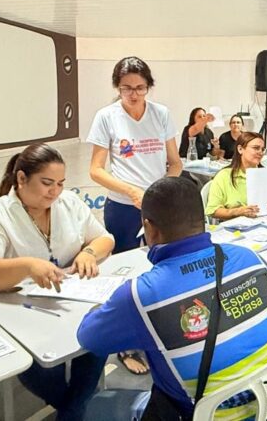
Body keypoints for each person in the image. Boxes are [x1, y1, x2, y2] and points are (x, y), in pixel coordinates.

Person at [78, 177, 267, 420]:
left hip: (201, 414)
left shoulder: (141, 294)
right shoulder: (250, 258)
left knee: (97, 406)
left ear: (149, 228)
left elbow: (89, 339)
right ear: (202, 218)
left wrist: (99, 308)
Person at [0, 143, 114, 421]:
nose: (54, 191)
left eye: (60, 183)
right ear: (21, 178)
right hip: (21, 317)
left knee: (99, 337)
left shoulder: (68, 203)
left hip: (72, 304)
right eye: (47, 183)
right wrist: (27, 266)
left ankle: (72, 411)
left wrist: (89, 253)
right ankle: (73, 410)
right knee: (43, 369)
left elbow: (105, 238)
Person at [87, 56, 182, 374]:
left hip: (157, 205)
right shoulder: (107, 117)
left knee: (161, 268)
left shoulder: (161, 114)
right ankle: (126, 344)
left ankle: (158, 331)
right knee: (124, 276)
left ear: (149, 87)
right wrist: (131, 191)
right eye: (126, 88)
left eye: (140, 88)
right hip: (123, 207)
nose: (134, 94)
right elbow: (96, 169)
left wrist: (161, 189)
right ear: (117, 87)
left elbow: (175, 162)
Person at [205, 132, 267, 220]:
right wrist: (237, 211)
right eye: (256, 148)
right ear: (240, 149)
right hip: (236, 225)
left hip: (266, 221)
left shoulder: (266, 174)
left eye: (262, 149)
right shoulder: (224, 176)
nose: (260, 152)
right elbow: (212, 210)